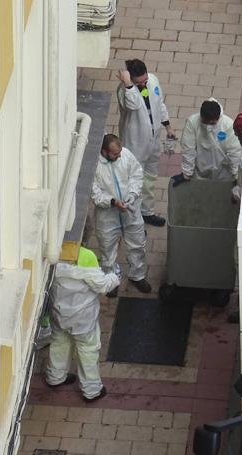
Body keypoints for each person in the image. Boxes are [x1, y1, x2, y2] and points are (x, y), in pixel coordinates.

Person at [45, 247, 119, 402]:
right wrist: (115, 276)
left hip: (59, 314)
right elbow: (103, 285)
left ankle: (55, 377)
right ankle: (91, 391)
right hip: (83, 321)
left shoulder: (50, 251)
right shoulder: (85, 255)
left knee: (60, 343)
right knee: (88, 350)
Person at [116, 58, 175, 227]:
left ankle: (147, 212)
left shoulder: (153, 80)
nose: (143, 84)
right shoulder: (124, 90)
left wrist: (168, 126)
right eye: (138, 82)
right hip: (135, 143)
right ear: (130, 78)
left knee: (149, 178)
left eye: (145, 80)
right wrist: (128, 84)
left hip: (153, 139)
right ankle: (133, 218)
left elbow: (159, 105)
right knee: (134, 180)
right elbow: (133, 105)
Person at [91, 134, 152, 295]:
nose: (118, 156)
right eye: (114, 154)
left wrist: (132, 195)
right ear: (104, 151)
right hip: (107, 217)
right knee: (107, 249)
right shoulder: (94, 165)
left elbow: (137, 175)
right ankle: (112, 279)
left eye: (119, 153)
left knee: (137, 245)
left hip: (131, 211)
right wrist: (113, 202)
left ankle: (137, 276)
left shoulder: (125, 154)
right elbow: (95, 194)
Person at [173, 98, 242, 199]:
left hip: (223, 174)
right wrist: (187, 172)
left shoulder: (228, 126)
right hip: (200, 172)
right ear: (201, 117)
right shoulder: (193, 122)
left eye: (212, 123)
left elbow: (235, 153)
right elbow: (188, 149)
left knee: (220, 200)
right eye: (206, 123)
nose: (209, 126)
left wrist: (237, 178)